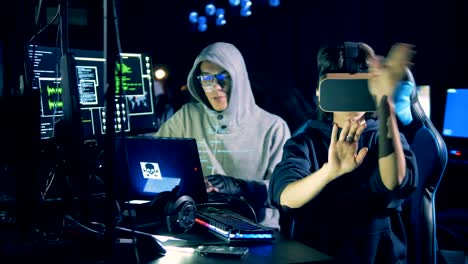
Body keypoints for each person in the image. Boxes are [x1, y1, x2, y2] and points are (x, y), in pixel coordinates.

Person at [269, 42, 418, 263]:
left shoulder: (385, 138)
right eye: (340, 87)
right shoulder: (304, 142)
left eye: (361, 87)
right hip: (316, 254)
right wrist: (330, 171)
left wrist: (385, 105)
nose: (350, 100)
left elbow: (393, 182)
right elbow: (286, 197)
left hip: (376, 255)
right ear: (320, 91)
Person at [153, 42, 291, 228]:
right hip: (197, 228)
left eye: (222, 77)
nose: (215, 86)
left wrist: (239, 186)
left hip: (256, 232)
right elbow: (155, 159)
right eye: (207, 79)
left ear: (239, 78)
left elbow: (285, 194)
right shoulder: (187, 117)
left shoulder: (273, 128)